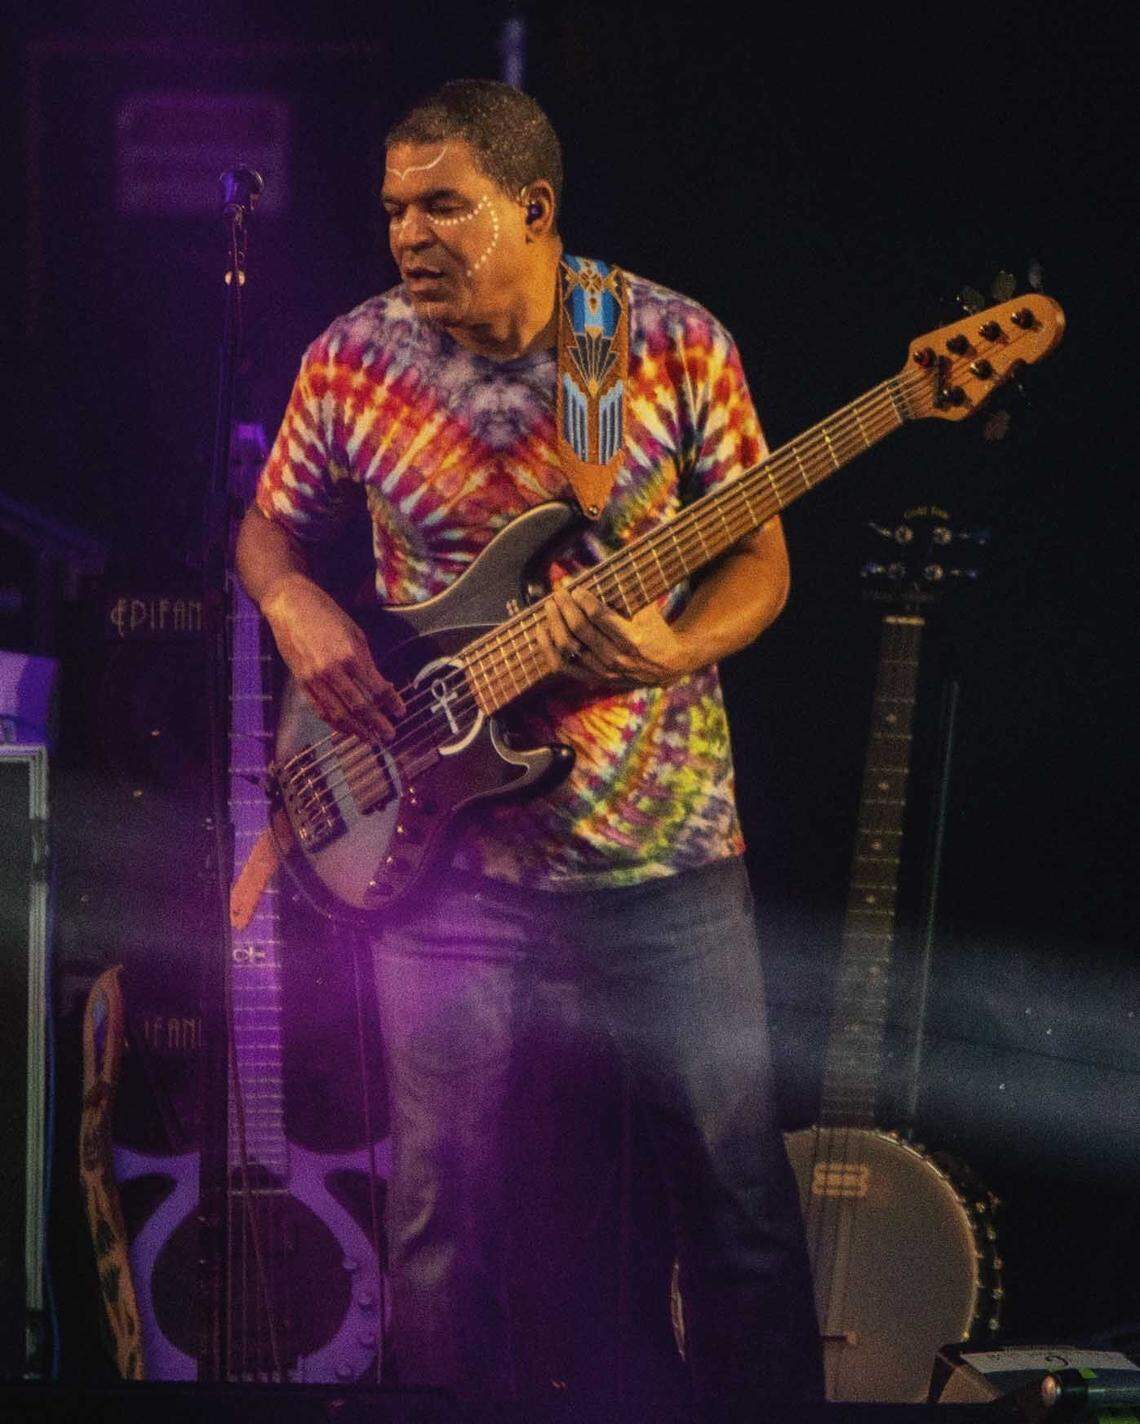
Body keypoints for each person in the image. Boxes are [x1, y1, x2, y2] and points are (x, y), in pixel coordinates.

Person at [237, 78, 823, 1414]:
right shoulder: (352, 356)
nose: (409, 236)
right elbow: (269, 532)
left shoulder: (660, 343)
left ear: (535, 209)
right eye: (396, 210)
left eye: (446, 206)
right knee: (440, 1228)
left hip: (662, 859)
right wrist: (292, 599)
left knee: (736, 1213)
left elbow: (758, 561)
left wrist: (680, 649)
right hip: (439, 866)